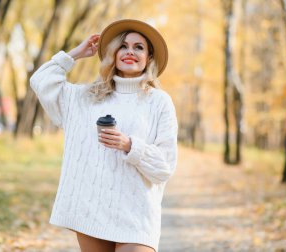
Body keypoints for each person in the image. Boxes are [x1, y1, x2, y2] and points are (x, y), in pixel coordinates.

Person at [30, 19, 178, 252]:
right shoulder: (85, 97)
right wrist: (75, 54)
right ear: (114, 54)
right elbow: (40, 81)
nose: (130, 51)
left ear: (149, 58)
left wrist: (129, 145)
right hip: (92, 211)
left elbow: (165, 166)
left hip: (137, 214)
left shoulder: (159, 102)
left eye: (139, 47)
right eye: (123, 46)